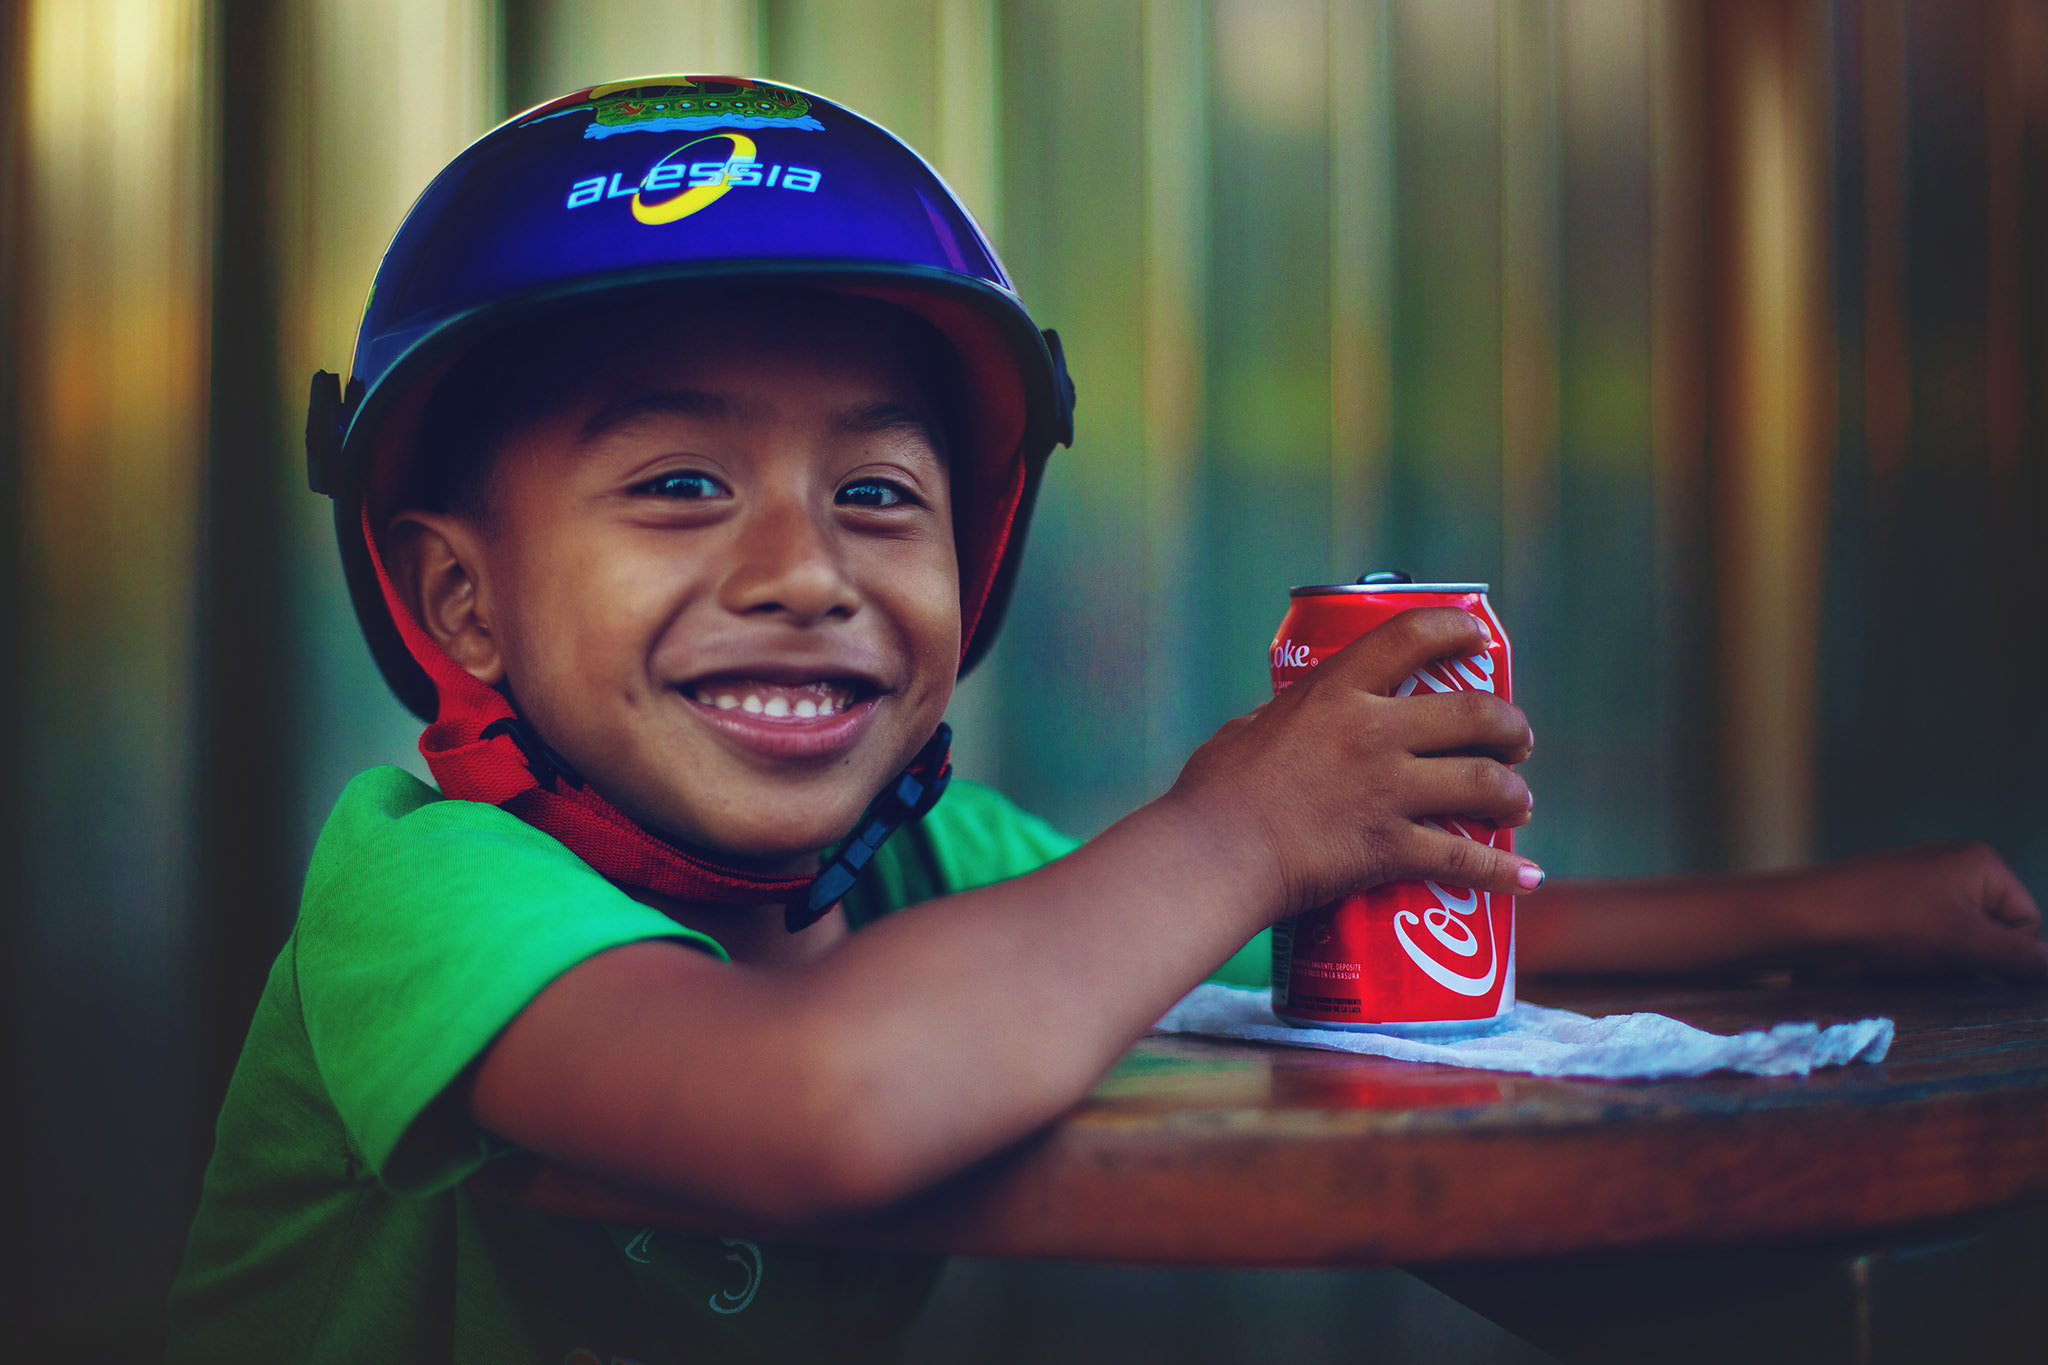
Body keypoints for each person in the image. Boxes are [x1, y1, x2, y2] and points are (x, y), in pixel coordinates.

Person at [166, 76, 2046, 1363]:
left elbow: (1318, 953)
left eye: (880, 496)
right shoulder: (423, 894)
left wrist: (1820, 914)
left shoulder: (919, 866)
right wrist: (1239, 819)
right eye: (676, 484)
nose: (805, 568)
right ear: (457, 602)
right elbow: (827, 1105)